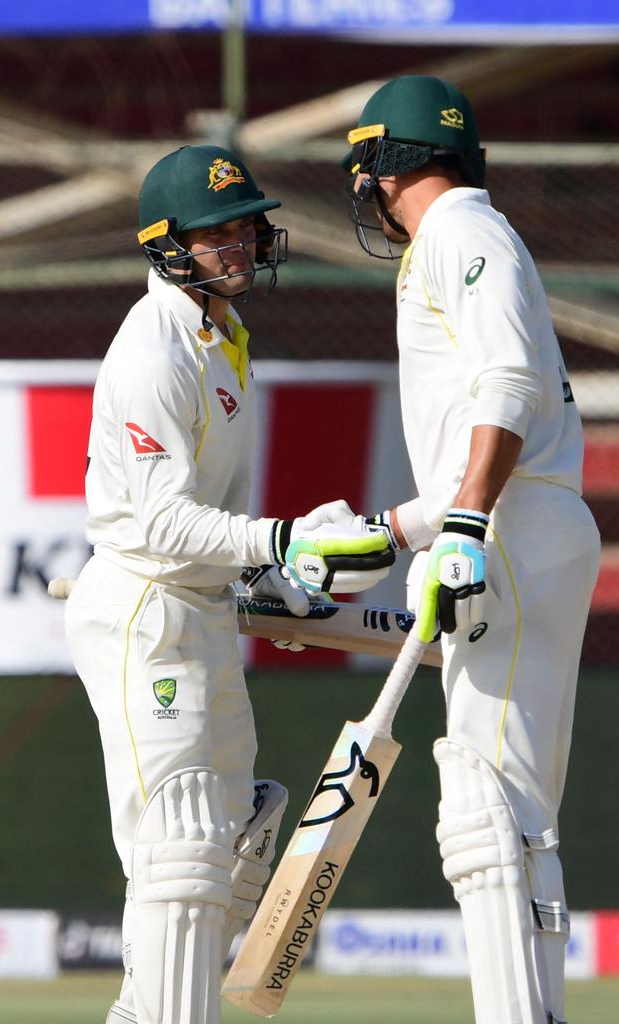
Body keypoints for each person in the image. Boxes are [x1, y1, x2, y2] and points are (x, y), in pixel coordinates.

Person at [63, 144, 395, 1024]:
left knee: (236, 842)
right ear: (168, 243)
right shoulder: (153, 350)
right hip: (146, 612)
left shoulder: (221, 337)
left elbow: (212, 523)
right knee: (180, 853)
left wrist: (265, 572)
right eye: (217, 232)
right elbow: (165, 523)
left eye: (246, 224)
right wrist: (282, 542)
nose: (241, 242)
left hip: (201, 610)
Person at [341, 77, 601, 1024]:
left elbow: (510, 382)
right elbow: (476, 435)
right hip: (511, 520)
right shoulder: (463, 236)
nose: (363, 187)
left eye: (367, 167)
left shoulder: (458, 231)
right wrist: (392, 530)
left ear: (388, 165)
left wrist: (463, 527)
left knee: (484, 804)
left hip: (511, 525)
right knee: (511, 809)